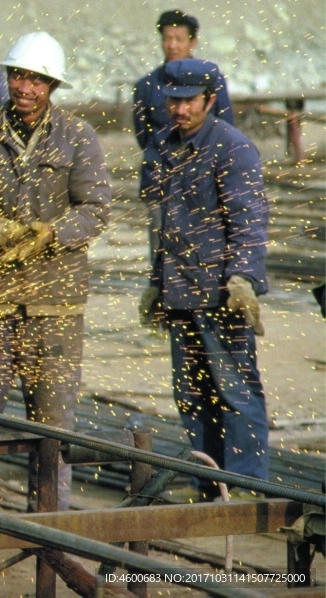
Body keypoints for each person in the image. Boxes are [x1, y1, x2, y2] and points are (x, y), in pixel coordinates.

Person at [0, 31, 111, 512]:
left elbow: (95, 208)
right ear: (8, 78)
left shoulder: (78, 137)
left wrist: (50, 234)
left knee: (52, 429)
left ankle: (50, 528)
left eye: (37, 80)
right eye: (19, 76)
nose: (26, 88)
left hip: (55, 306)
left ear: (52, 85)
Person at [138, 58, 270, 500]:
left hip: (220, 297)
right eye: (173, 101)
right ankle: (210, 486)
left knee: (235, 394)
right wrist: (155, 280)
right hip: (180, 293)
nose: (179, 110)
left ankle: (247, 488)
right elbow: (158, 221)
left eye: (189, 101)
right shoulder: (160, 148)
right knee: (193, 398)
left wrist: (244, 279)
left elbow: (249, 220)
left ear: (210, 100)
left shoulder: (232, 148)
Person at [134, 10, 233, 259]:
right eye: (167, 38)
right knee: (161, 255)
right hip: (160, 181)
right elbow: (142, 134)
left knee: (204, 254)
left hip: (204, 182)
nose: (172, 45)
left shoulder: (212, 80)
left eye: (179, 38)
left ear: (192, 42)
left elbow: (226, 127)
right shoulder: (146, 85)